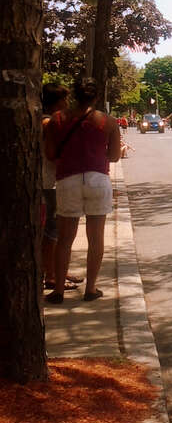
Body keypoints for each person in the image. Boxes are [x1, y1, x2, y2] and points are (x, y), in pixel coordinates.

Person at [44, 78, 121, 304]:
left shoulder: (56, 120)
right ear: (96, 97)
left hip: (68, 180)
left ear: (74, 95)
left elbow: (50, 154)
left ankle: (58, 290)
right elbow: (115, 156)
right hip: (98, 179)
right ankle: (91, 289)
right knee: (95, 239)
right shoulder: (108, 121)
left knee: (65, 239)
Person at [41, 83, 82, 292]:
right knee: (52, 230)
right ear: (56, 103)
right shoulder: (48, 123)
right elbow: (52, 154)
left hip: (54, 181)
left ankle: (59, 270)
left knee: (59, 230)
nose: (66, 104)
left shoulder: (49, 121)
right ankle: (51, 275)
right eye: (64, 101)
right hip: (49, 182)